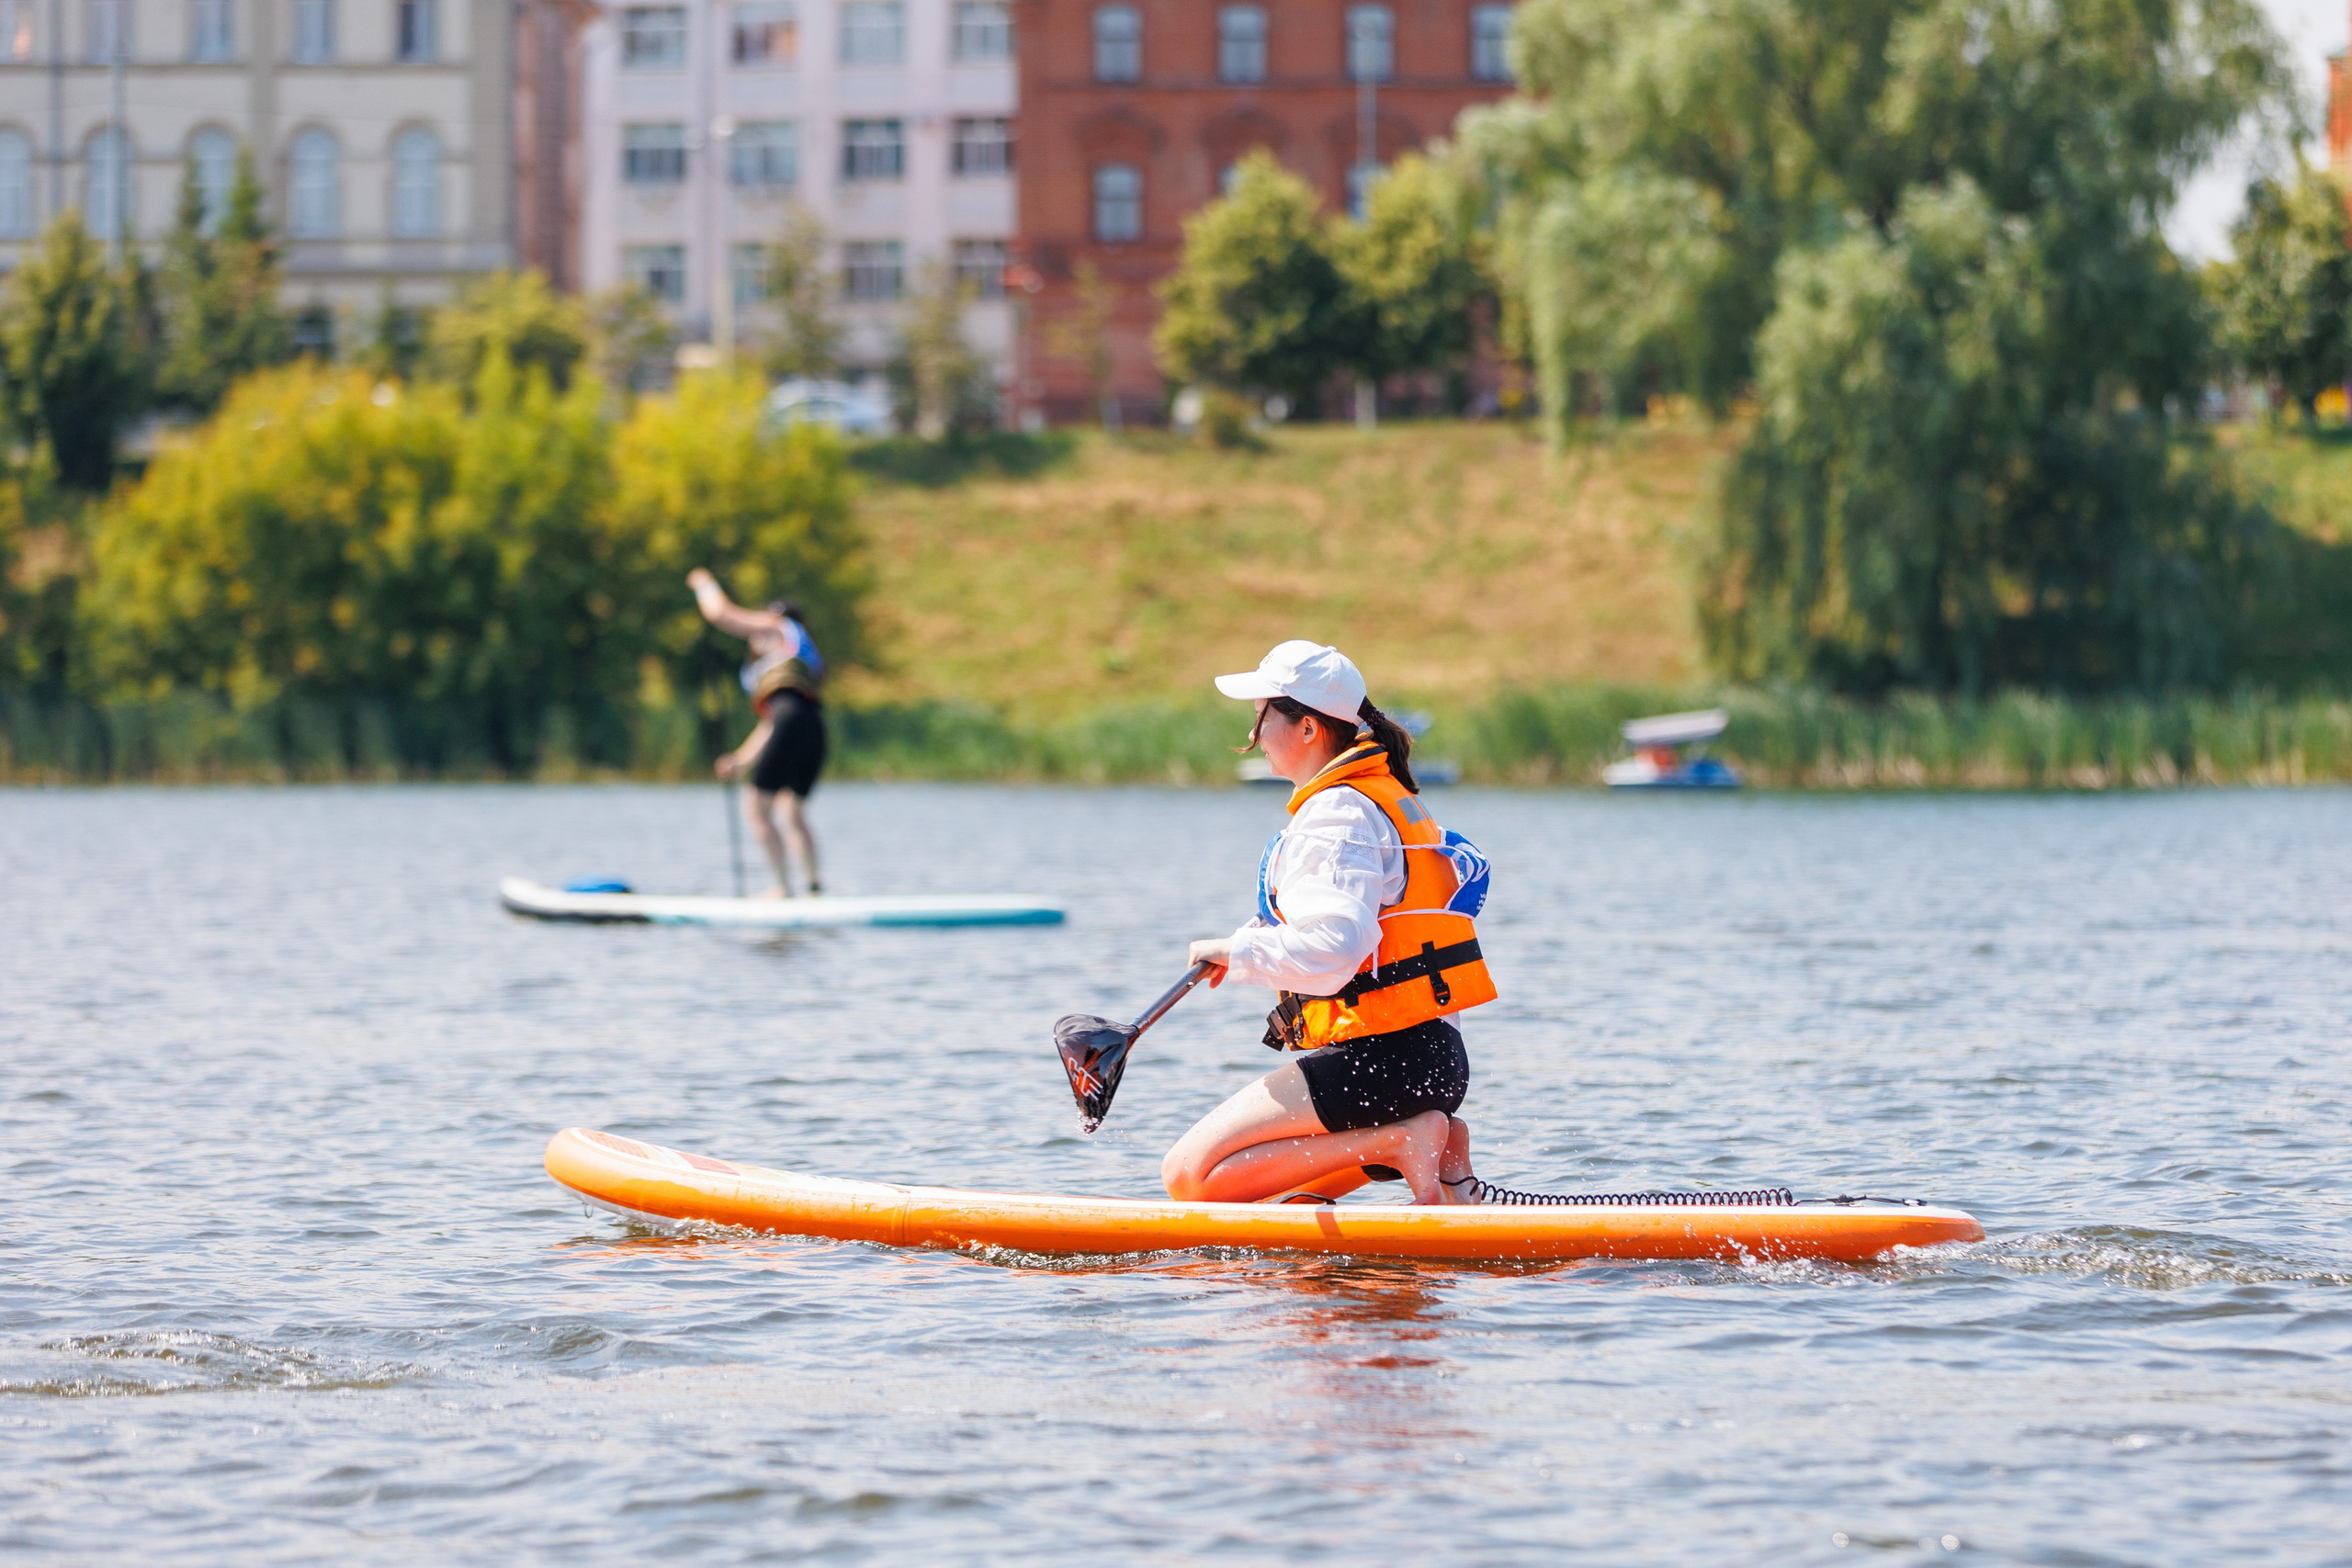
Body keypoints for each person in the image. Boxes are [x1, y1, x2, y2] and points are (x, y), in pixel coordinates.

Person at [1163, 640, 1496, 1207]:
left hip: (1389, 1062)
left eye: (1262, 716)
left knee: (1191, 1177)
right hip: (1433, 1060)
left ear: (1309, 728)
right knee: (1276, 1202)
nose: (1254, 733)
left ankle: (1403, 1141)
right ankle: (1438, 1153)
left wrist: (1238, 955)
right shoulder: (1371, 798)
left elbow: (1338, 946)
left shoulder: (1336, 812)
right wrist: (1241, 944)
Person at [688, 568, 828, 897]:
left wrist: (703, 583)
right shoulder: (801, 658)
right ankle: (813, 890)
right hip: (813, 725)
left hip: (793, 721)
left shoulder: (780, 627)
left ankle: (782, 888)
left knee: (756, 809)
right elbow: (773, 723)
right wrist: (741, 759)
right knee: (790, 811)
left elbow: (719, 614)